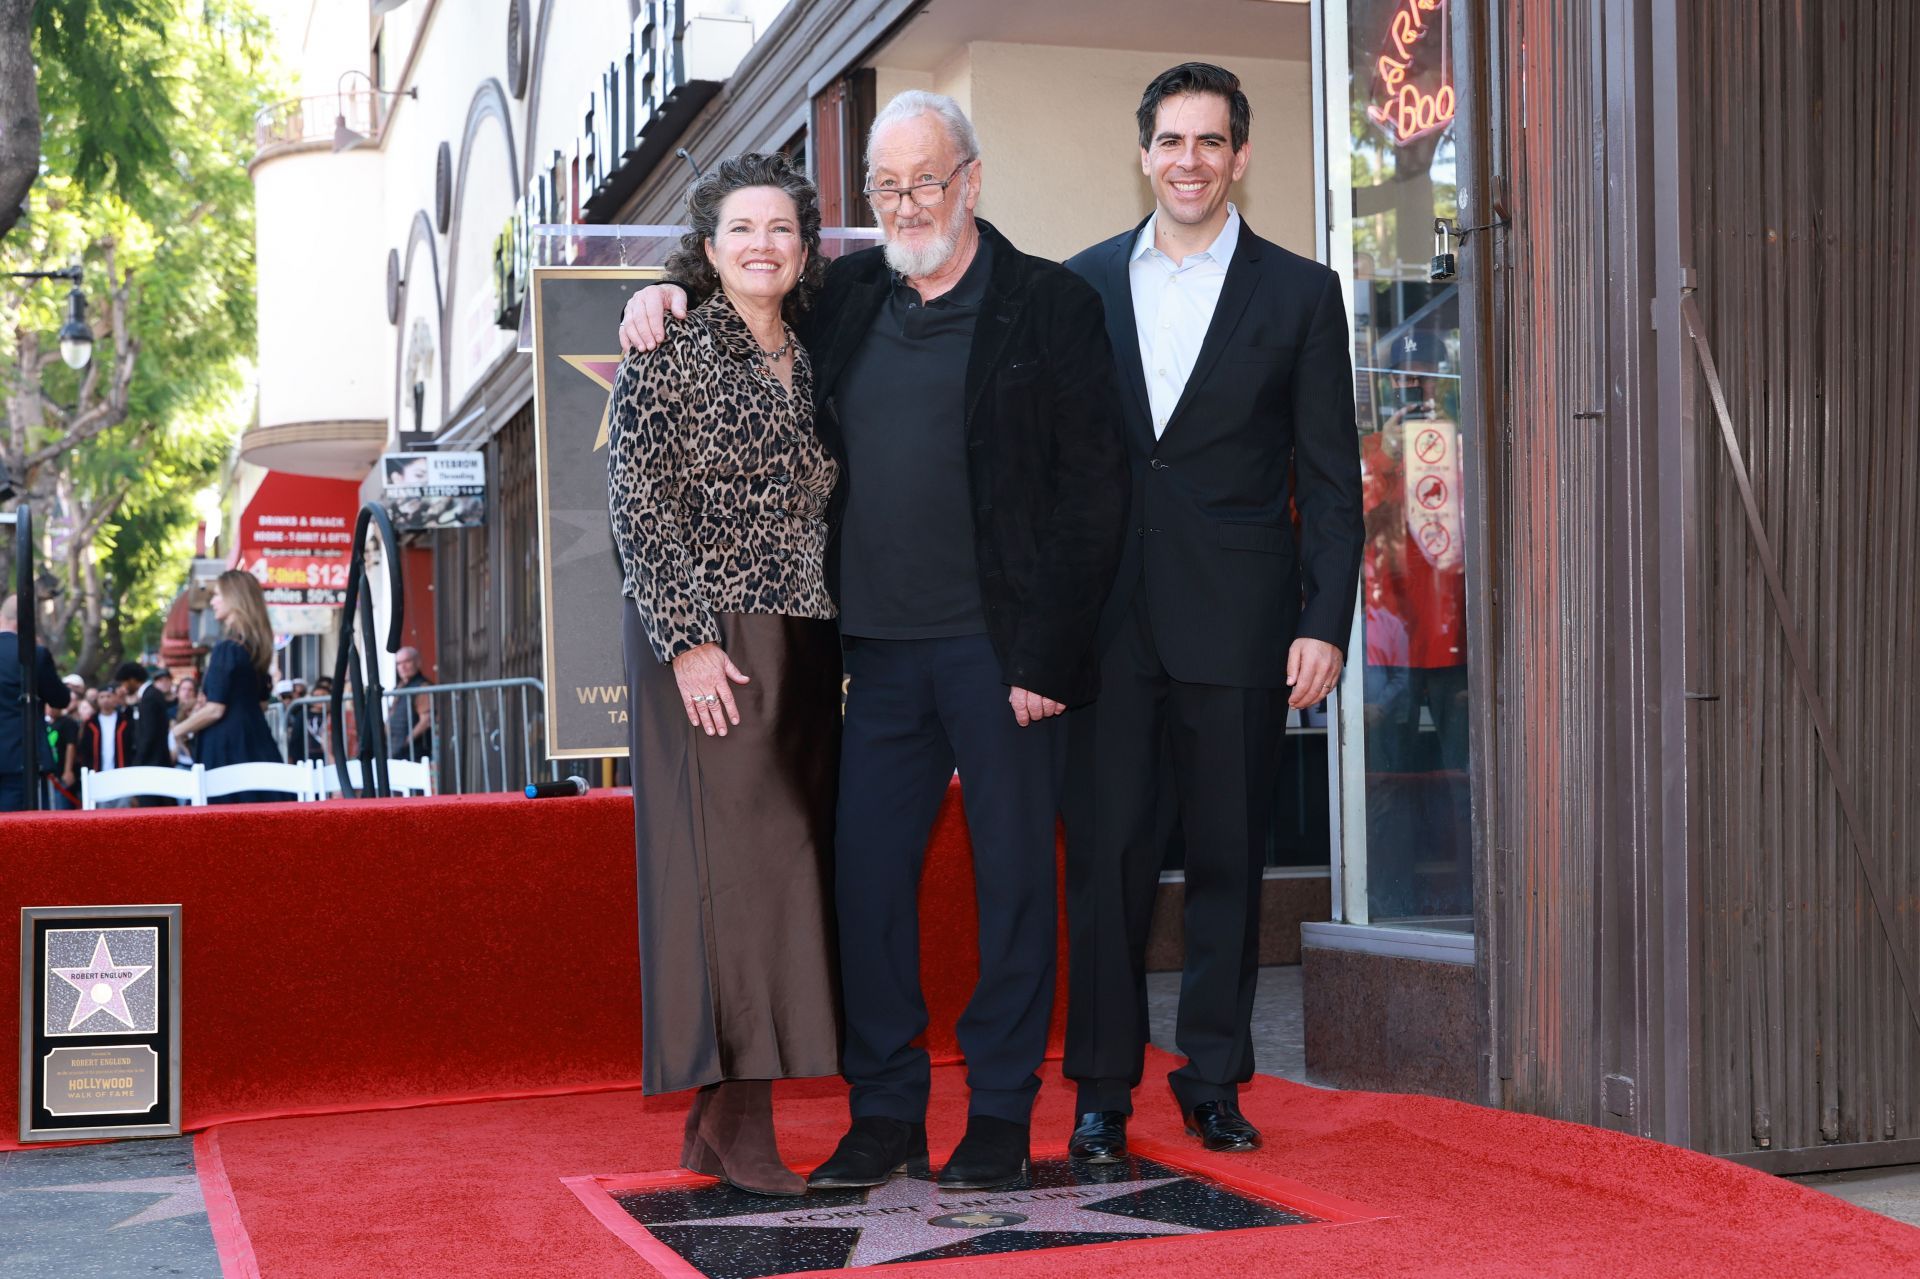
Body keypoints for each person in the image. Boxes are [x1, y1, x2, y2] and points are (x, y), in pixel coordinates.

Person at [620, 94, 1130, 1192]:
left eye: (926, 183)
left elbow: (1095, 496)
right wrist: (663, 287)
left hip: (1003, 661)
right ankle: (887, 1105)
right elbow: (738, 294)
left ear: (972, 182)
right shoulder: (844, 297)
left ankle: (997, 1108)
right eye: (887, 189)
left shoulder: (1051, 305)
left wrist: (1048, 653)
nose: (907, 206)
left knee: (1014, 891)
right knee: (863, 887)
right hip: (870, 658)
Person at [1057, 64, 1364, 1162]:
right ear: (1143, 153)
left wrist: (1324, 619)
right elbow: (1054, 474)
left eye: (1210, 141)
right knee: (1107, 867)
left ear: (1240, 156)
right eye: (1171, 140)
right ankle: (1100, 1087)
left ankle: (1216, 1077)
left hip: (1241, 624)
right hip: (1105, 633)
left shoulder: (1300, 294)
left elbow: (1332, 479)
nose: (1189, 159)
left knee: (1232, 859)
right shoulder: (1078, 286)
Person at [608, 152, 843, 1197]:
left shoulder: (815, 349)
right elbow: (637, 502)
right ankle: (742, 1115)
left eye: (782, 228)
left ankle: (718, 1117)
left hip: (804, 639)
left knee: (782, 879)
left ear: (806, 247)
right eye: (742, 228)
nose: (763, 244)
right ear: (707, 250)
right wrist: (688, 639)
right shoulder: (672, 349)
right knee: (744, 878)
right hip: (713, 643)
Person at [170, 571, 284, 802]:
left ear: (235, 598)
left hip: (226, 748)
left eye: (218, 595)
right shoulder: (255, 648)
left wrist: (176, 731)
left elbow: (215, 709)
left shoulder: (228, 649)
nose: (212, 601)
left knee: (226, 825)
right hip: (257, 742)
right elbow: (261, 703)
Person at [0, 593, 71, 812]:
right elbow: (60, 699)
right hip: (20, 760)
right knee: (18, 835)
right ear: (26, 622)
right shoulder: (34, 654)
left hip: (17, 761)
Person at [128, 667, 178, 804]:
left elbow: (148, 733)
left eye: (124, 682)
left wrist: (138, 761)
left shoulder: (150, 696)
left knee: (154, 809)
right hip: (157, 761)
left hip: (152, 764)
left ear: (132, 680)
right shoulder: (151, 694)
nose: (123, 687)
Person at [384, 647, 432, 762]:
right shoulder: (400, 686)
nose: (402, 667)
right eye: (399, 663)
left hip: (413, 751)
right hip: (396, 748)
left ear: (417, 662)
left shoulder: (422, 687)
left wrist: (406, 741)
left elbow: (426, 720)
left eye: (407, 661)